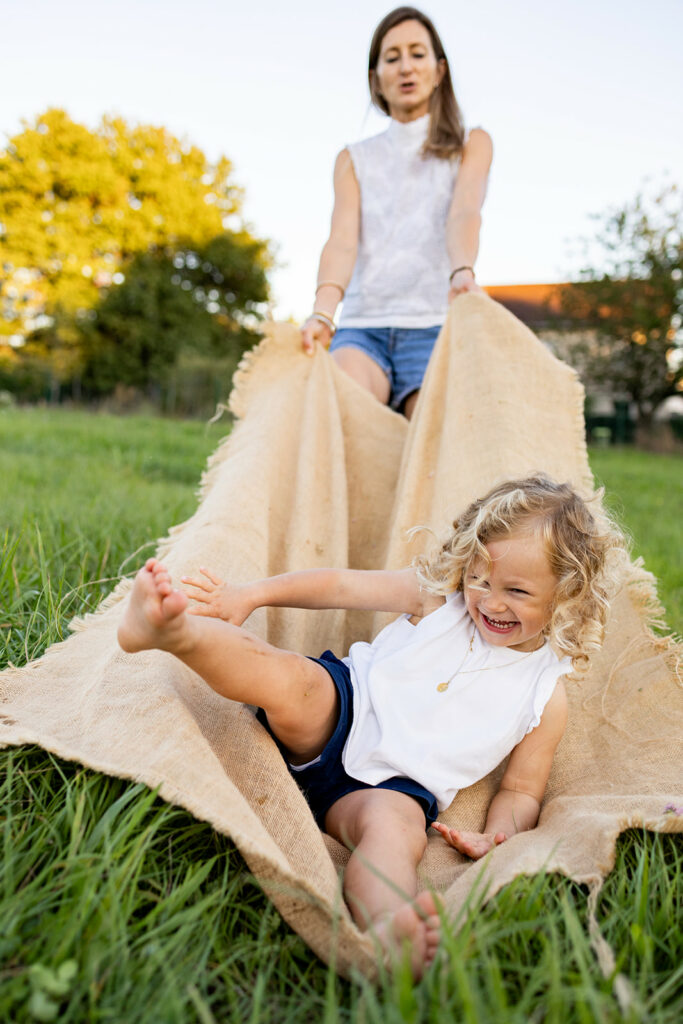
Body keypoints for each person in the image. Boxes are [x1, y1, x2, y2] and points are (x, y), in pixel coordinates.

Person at [117, 476, 622, 979]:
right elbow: (340, 585)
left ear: (566, 596)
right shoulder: (438, 599)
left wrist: (498, 836)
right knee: (290, 678)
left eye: (516, 591)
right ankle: (172, 631)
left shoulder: (544, 695)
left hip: (395, 790)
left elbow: (520, 788)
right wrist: (251, 595)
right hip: (344, 710)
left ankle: (386, 932)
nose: (490, 602)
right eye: (480, 580)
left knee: (395, 837)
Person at [300, 6, 493, 418]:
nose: (406, 66)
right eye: (392, 57)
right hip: (363, 329)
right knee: (340, 411)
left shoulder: (471, 144)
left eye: (417, 54)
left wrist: (462, 271)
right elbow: (341, 240)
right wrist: (322, 311)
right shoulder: (353, 159)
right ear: (376, 79)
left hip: (433, 327)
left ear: (439, 70)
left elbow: (463, 212)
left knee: (427, 447)